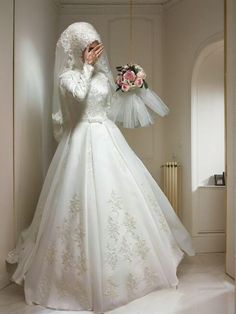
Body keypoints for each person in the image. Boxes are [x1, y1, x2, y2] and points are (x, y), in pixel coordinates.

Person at [6, 22, 195, 313]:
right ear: (77, 50)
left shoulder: (103, 78)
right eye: (87, 48)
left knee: (122, 198)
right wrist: (86, 67)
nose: (93, 53)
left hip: (106, 136)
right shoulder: (67, 77)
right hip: (80, 140)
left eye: (95, 47)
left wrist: (133, 82)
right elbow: (78, 96)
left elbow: (108, 108)